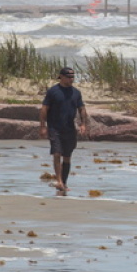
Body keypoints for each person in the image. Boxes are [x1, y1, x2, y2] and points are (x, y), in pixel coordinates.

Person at [39, 66, 89, 194]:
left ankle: (64, 183)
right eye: (68, 76)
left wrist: (83, 124)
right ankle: (59, 181)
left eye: (73, 77)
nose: (71, 79)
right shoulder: (53, 91)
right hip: (54, 128)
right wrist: (43, 126)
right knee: (57, 153)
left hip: (70, 128)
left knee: (67, 157)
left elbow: (81, 108)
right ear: (61, 76)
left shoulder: (76, 93)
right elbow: (44, 108)